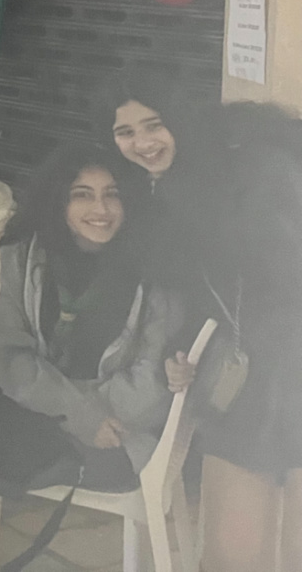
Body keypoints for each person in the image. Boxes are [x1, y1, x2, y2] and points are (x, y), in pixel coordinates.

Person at [96, 85, 302, 572]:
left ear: (182, 121)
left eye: (153, 125)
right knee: (247, 548)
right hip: (252, 372)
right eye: (126, 132)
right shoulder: (176, 183)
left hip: (277, 370)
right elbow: (202, 288)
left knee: (253, 549)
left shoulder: (247, 170)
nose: (143, 142)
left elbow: (271, 268)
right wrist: (183, 348)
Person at [0, 144, 180, 539]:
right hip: (28, 419)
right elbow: (9, 363)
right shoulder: (16, 261)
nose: (101, 209)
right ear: (58, 201)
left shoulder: (154, 275)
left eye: (112, 194)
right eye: (83, 194)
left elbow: (150, 383)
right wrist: (77, 413)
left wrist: (87, 419)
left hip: (115, 439)